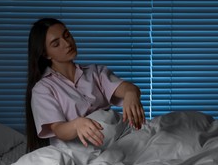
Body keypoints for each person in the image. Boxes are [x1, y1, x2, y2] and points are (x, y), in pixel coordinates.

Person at [26, 18, 145, 152]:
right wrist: (77, 125)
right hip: (83, 149)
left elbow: (127, 88)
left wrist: (131, 94)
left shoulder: (95, 72)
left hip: (117, 136)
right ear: (45, 54)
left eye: (67, 35)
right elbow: (58, 129)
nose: (67, 43)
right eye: (56, 44)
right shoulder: (43, 89)